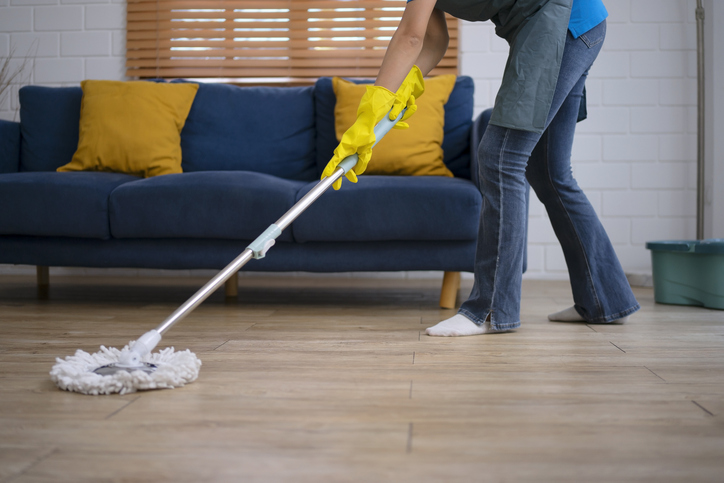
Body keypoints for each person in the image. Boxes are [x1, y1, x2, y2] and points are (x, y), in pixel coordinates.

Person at [321, 0, 640, 336]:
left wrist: (374, 107)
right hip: (578, 25)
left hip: (563, 22)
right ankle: (605, 299)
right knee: (549, 171)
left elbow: (410, 38)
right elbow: (432, 39)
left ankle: (489, 309)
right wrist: (404, 86)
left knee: (501, 158)